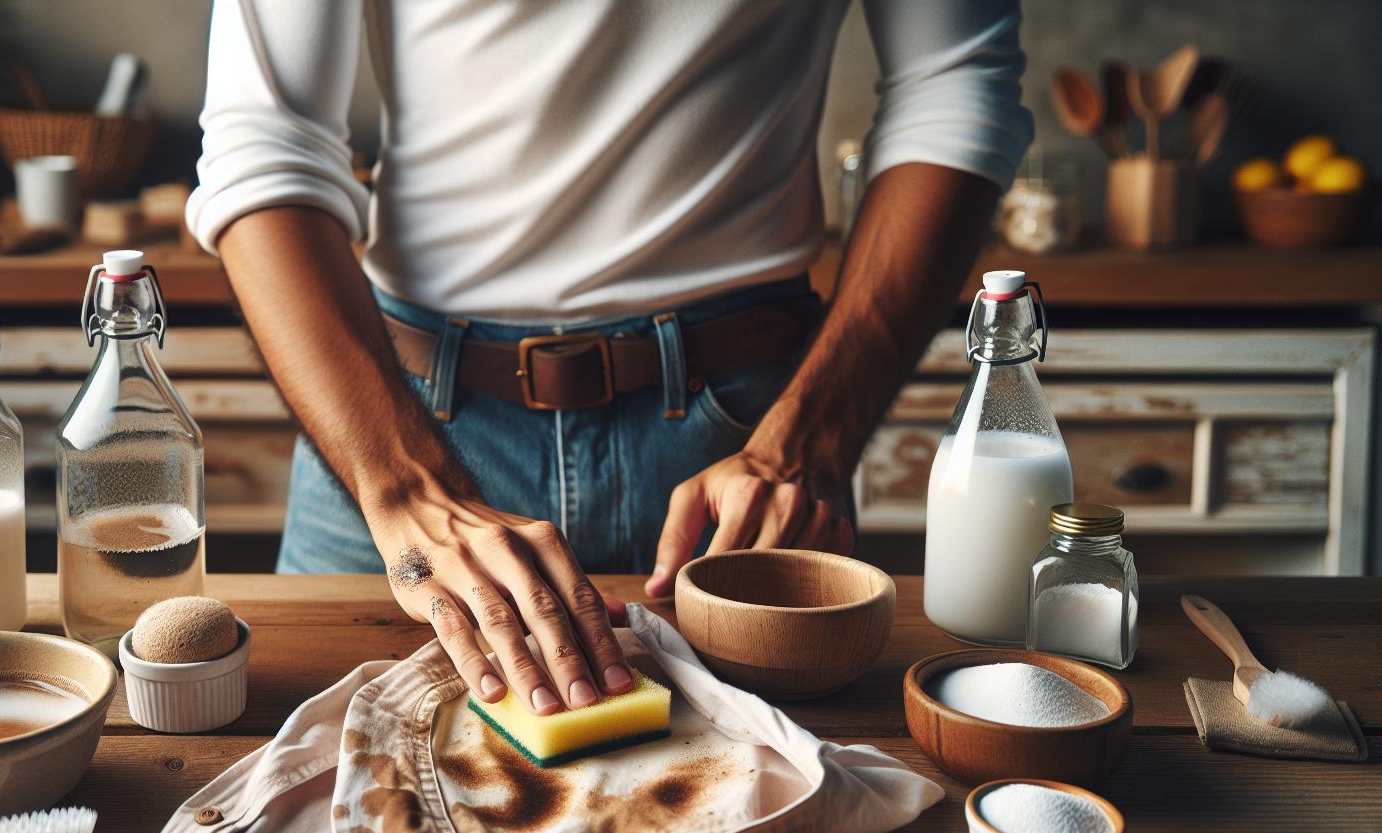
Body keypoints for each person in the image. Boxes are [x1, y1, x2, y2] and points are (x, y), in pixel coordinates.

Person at [188, 1, 1033, 718]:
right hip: (396, 434)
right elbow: (268, 140)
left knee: (794, 825)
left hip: (747, 449)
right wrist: (410, 492)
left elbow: (954, 83)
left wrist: (810, 439)